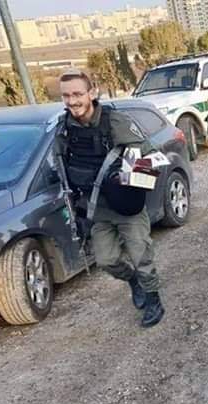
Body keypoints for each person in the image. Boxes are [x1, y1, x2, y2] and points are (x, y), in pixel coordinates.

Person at [55, 69, 164, 327]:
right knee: (106, 260)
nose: (72, 101)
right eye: (66, 96)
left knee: (141, 256)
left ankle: (153, 299)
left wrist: (127, 176)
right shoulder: (65, 128)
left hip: (126, 205)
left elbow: (150, 155)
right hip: (97, 209)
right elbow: (61, 163)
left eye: (78, 94)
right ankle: (133, 281)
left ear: (92, 93)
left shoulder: (114, 122)